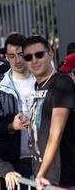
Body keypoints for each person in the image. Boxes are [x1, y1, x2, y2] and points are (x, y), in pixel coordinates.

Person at [23, 35, 75, 188]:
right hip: (44, 174)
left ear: (51, 54)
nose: (34, 60)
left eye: (39, 54)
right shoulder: (38, 86)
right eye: (28, 57)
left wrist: (41, 173)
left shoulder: (61, 82)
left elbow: (55, 133)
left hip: (62, 177)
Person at [0, 33, 36, 179]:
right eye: (12, 56)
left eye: (21, 54)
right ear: (6, 58)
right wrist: (11, 126)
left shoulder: (42, 80)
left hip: (45, 160)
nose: (17, 60)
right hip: (14, 164)